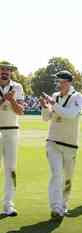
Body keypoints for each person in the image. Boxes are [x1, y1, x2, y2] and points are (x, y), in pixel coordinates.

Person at [40, 70, 82, 219]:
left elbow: (71, 115)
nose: (58, 85)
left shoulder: (77, 97)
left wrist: (54, 104)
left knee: (67, 179)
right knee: (56, 175)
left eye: (61, 82)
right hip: (53, 142)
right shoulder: (55, 96)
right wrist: (45, 107)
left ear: (68, 82)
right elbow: (46, 118)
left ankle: (63, 205)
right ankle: (56, 208)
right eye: (57, 82)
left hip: (70, 145)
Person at [0, 61, 24, 217]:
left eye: (8, 70)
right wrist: (4, 100)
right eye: (2, 69)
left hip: (12, 131)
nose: (5, 72)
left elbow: (20, 111)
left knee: (11, 169)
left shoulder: (18, 87)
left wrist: (12, 100)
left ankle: (8, 205)